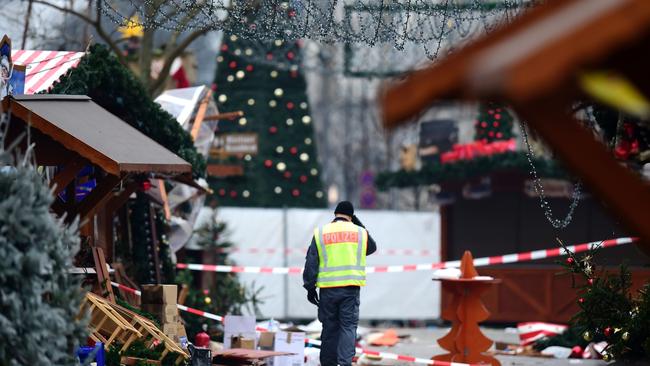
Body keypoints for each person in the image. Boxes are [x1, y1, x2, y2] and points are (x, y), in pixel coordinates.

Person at [303, 201, 377, 366]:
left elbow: (311, 261)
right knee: (348, 327)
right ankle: (344, 363)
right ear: (351, 216)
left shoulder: (321, 232)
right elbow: (372, 247)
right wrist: (357, 222)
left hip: (327, 290)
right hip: (350, 289)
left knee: (329, 328)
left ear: (335, 214)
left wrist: (309, 287)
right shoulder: (359, 232)